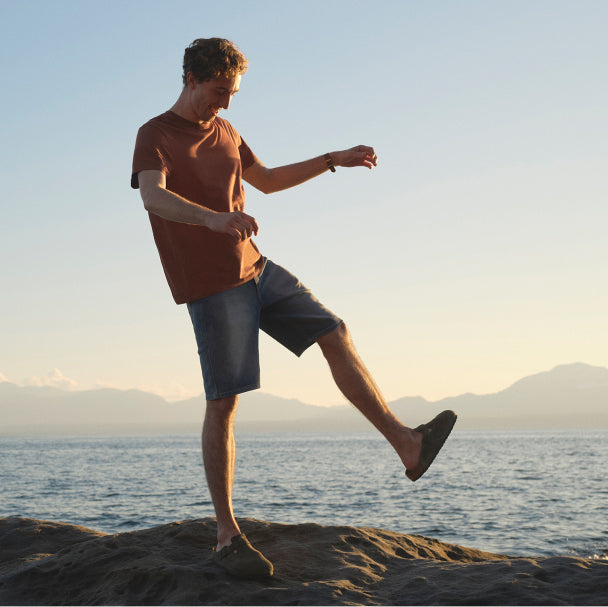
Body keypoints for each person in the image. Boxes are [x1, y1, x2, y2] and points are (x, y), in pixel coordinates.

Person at [130, 38, 457, 580]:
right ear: (190, 78)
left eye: (232, 93)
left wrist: (334, 160)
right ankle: (227, 535)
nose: (226, 104)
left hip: (256, 268)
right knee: (225, 402)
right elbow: (152, 197)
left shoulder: (227, 131)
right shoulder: (155, 134)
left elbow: (269, 180)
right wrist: (213, 219)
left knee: (334, 330)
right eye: (218, 92)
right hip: (211, 285)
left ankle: (409, 445)